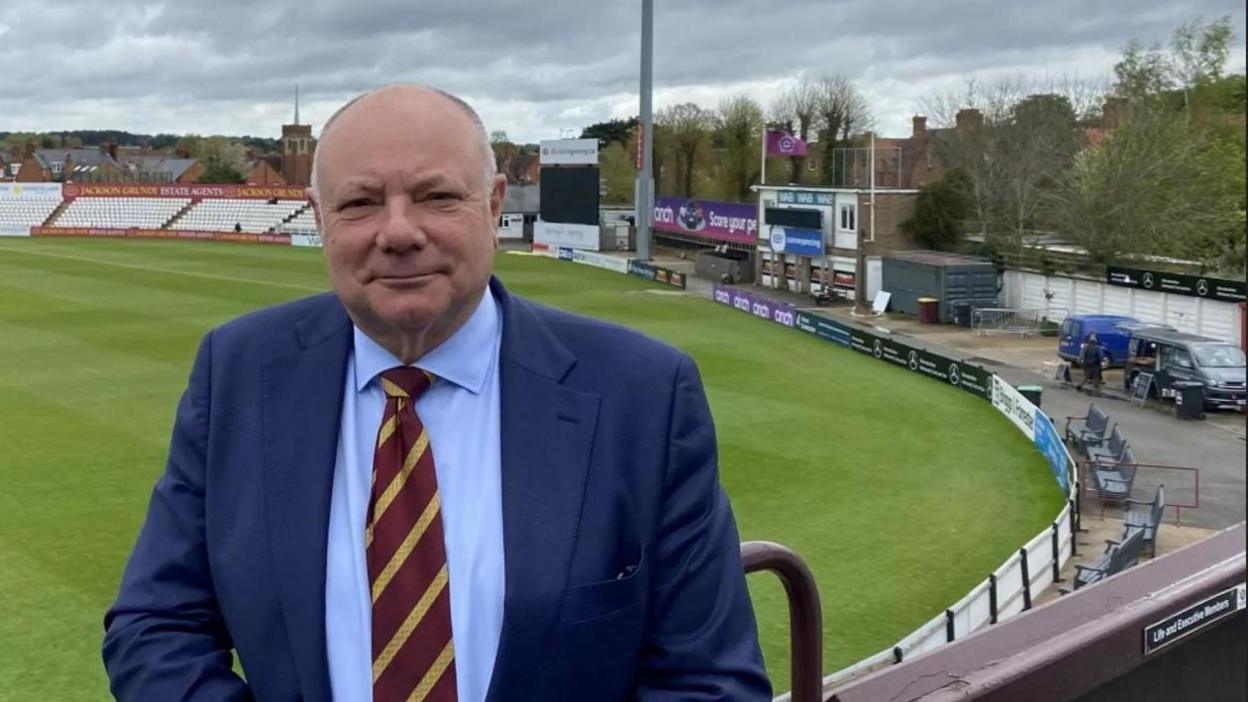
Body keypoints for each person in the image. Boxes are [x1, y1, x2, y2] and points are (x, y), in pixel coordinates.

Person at [102, 84, 770, 702]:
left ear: (496, 204)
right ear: (319, 218)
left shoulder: (643, 394)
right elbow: (154, 627)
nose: (397, 232)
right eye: (360, 203)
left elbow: (710, 681)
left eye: (436, 196)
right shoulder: (237, 371)